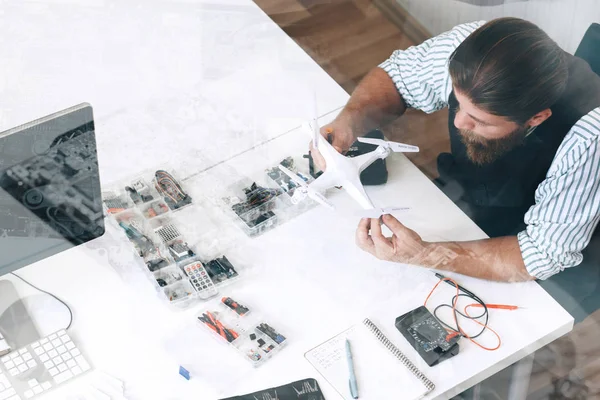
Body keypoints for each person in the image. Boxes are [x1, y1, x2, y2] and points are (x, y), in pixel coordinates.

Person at [311, 17, 600, 320]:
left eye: (481, 121)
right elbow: (397, 78)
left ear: (536, 118)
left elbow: (542, 254)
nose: (459, 121)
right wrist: (349, 121)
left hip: (559, 237)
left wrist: (428, 255)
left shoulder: (589, 139)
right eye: (458, 104)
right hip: (476, 196)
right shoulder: (474, 52)